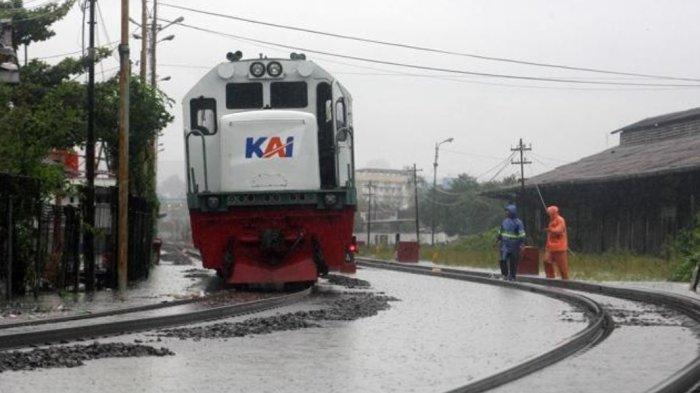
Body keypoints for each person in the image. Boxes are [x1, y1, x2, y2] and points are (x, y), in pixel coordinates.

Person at [497, 204, 526, 281]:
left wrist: (522, 244)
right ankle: (505, 275)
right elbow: (501, 231)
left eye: (508, 211)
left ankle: (512, 276)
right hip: (505, 244)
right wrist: (498, 239)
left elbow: (522, 234)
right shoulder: (504, 221)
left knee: (513, 261)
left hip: (514, 245)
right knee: (503, 259)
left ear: (512, 212)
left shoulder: (518, 222)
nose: (507, 213)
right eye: (506, 211)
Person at [545, 205, 569, 280]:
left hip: (560, 248)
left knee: (562, 268)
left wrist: (551, 229)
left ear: (554, 212)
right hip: (550, 247)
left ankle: (566, 281)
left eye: (550, 212)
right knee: (546, 261)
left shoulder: (560, 220)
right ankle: (550, 278)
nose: (549, 214)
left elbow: (559, 230)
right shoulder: (551, 221)